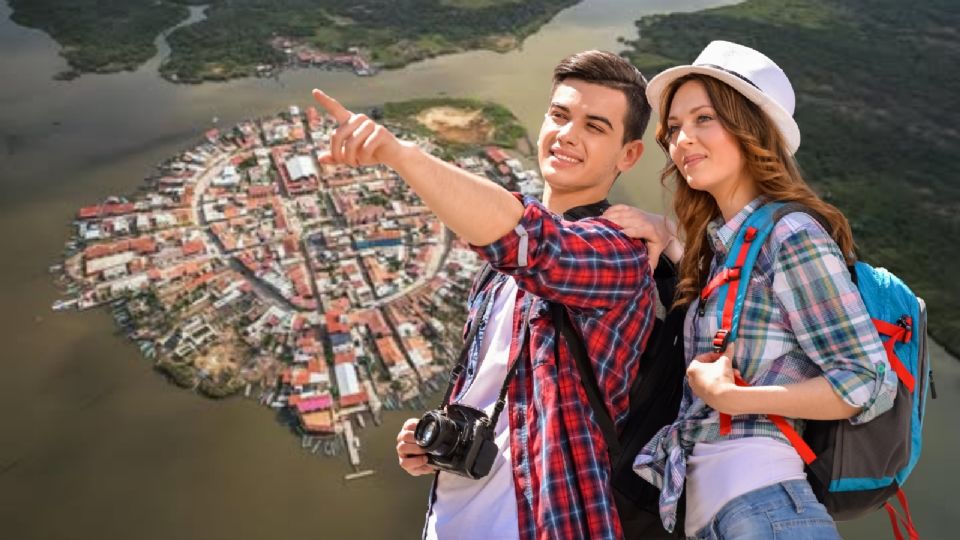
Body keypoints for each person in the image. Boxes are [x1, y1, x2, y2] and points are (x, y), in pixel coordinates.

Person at [311, 51, 666, 539]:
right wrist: (436, 441)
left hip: (545, 519)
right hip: (451, 521)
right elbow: (499, 394)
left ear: (628, 155)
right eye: (560, 115)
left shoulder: (621, 253)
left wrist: (399, 154)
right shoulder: (496, 278)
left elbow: (534, 240)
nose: (567, 134)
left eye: (595, 126)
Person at [612, 40, 899, 539]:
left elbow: (866, 380)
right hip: (722, 517)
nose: (682, 140)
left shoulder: (791, 234)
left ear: (750, 129)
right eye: (675, 128)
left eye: (704, 119)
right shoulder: (732, 246)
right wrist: (668, 238)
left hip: (766, 510)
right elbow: (740, 303)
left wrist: (733, 398)